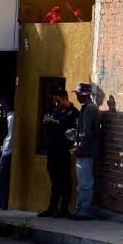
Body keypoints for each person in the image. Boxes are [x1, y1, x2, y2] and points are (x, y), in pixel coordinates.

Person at [39, 90, 79, 218]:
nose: (57, 104)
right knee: (54, 180)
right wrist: (47, 123)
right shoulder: (56, 111)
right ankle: (52, 208)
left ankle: (63, 209)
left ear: (65, 98)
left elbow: (68, 129)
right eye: (55, 101)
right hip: (52, 150)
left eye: (58, 101)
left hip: (64, 152)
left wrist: (54, 123)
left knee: (65, 181)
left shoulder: (73, 113)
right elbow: (50, 125)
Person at [69, 82, 101, 221]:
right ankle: (79, 210)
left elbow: (88, 132)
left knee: (85, 183)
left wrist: (79, 147)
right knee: (82, 183)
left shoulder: (89, 109)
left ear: (85, 95)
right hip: (85, 149)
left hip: (86, 151)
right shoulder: (87, 108)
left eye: (78, 94)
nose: (77, 97)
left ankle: (84, 211)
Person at [0, 96, 14, 210]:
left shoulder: (11, 117)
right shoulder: (8, 116)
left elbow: (10, 136)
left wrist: (4, 150)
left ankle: (3, 203)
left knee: (3, 177)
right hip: (5, 149)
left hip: (7, 151)